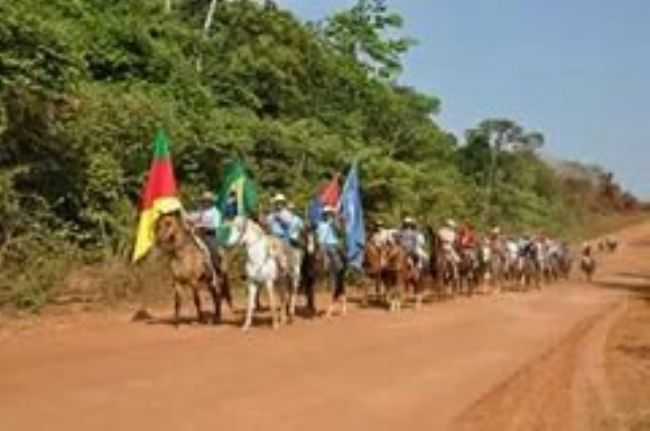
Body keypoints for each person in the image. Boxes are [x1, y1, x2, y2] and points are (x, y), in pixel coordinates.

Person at [316, 206, 346, 318]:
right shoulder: (320, 224)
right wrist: (319, 245)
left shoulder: (335, 223)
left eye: (329, 213)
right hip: (322, 246)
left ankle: (338, 271)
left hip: (333, 245)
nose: (328, 215)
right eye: (326, 213)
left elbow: (341, 233)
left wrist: (335, 224)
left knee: (337, 262)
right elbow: (318, 237)